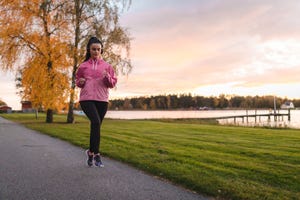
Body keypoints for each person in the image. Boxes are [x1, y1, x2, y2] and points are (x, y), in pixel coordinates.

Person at [76, 37, 117, 167]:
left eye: (98, 49)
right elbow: (78, 81)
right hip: (86, 99)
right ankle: (97, 155)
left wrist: (107, 77)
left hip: (102, 100)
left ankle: (90, 153)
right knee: (96, 122)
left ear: (101, 50)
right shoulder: (83, 66)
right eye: (93, 49)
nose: (96, 51)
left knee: (96, 126)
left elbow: (112, 83)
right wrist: (80, 82)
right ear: (89, 49)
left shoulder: (107, 66)